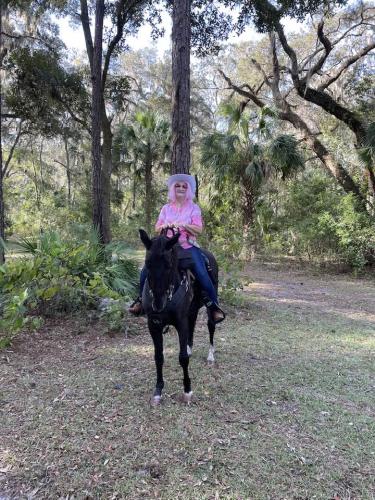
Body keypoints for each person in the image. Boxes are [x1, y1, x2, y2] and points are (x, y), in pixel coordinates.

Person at [129, 173, 225, 323]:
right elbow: (157, 227)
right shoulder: (166, 208)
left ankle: (213, 307)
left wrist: (184, 225)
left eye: (184, 186)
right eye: (178, 186)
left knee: (202, 272)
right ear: (173, 189)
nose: (181, 188)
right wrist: (165, 225)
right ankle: (141, 301)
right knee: (146, 270)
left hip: (187, 246)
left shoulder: (194, 208)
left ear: (188, 190)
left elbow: (198, 229)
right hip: (167, 248)